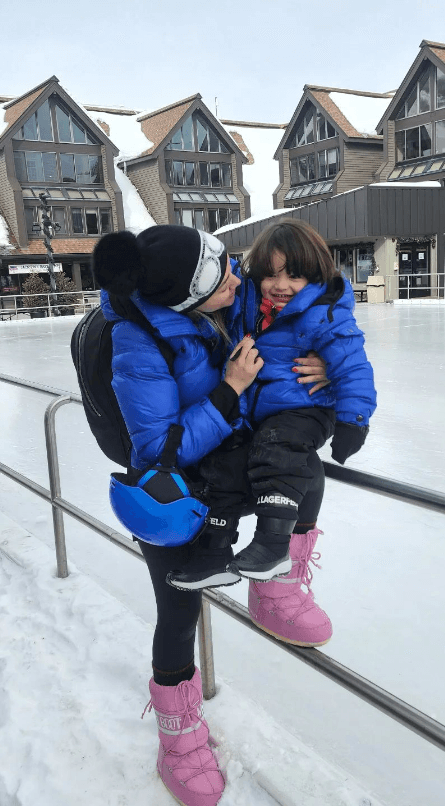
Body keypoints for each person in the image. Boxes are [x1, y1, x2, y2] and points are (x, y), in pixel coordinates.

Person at [92, 225, 328, 806]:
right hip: (175, 494)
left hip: (230, 465)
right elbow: (158, 451)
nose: (237, 278)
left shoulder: (221, 303)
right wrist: (229, 388)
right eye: (221, 275)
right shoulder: (139, 345)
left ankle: (275, 588)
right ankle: (179, 738)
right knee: (179, 611)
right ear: (188, 298)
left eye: (229, 265)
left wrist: (327, 365)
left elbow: (305, 309)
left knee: (308, 475)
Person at [167, 219, 376, 600]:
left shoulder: (324, 311)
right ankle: (214, 552)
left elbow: (353, 364)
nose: (280, 286)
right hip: (256, 411)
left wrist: (354, 421)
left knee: (276, 451)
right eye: (271, 274)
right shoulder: (246, 302)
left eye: (294, 275)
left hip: (305, 408)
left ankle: (273, 544)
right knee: (224, 461)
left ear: (314, 274)